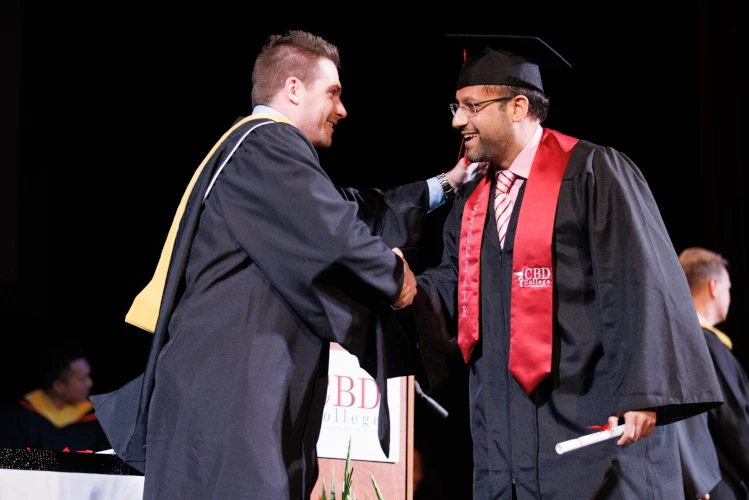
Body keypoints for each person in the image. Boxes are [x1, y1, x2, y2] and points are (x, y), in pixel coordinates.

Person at [90, 30, 470, 500]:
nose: (342, 109)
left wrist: (446, 185)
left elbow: (348, 209)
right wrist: (396, 281)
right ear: (293, 88)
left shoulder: (254, 156)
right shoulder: (265, 144)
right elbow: (332, 228)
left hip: (234, 394)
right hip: (230, 400)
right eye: (333, 93)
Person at [408, 34, 724, 499]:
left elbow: (641, 280)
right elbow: (455, 289)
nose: (459, 121)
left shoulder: (593, 172)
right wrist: (402, 287)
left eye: (472, 106)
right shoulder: (472, 202)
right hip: (504, 452)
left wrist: (643, 392)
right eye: (456, 107)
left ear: (517, 107)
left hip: (594, 439)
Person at [678, 247, 749, 499]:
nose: (729, 296)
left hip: (691, 480)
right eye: (728, 289)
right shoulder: (708, 345)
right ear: (714, 286)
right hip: (719, 478)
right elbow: (734, 420)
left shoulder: (673, 339)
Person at [0, 342, 110, 452]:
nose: (89, 383)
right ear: (59, 386)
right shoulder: (18, 419)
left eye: (88, 376)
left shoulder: (95, 418)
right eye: (82, 380)